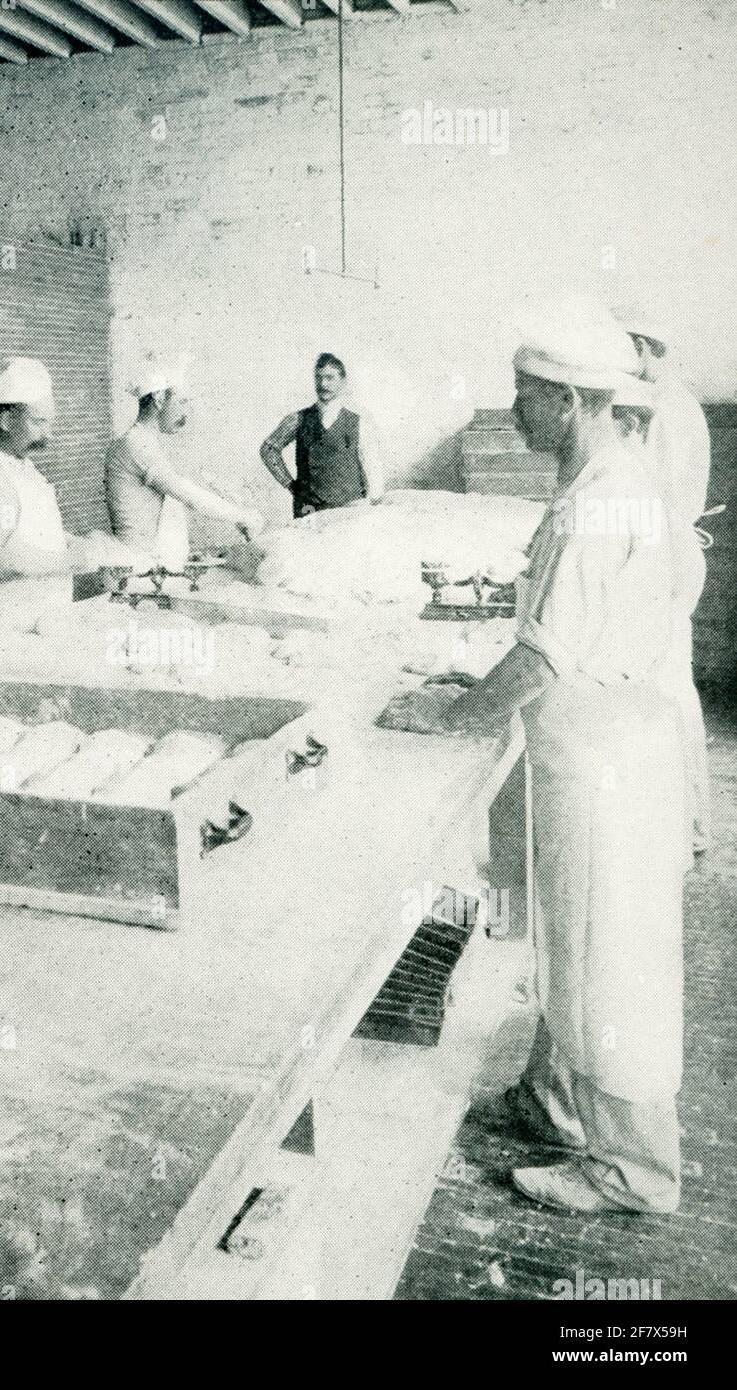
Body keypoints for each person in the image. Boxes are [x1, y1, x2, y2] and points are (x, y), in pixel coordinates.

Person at [381, 299, 685, 1216]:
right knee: (568, 942)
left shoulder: (603, 503)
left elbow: (547, 653)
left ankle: (632, 1170)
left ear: (572, 401)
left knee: (610, 960)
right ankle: (553, 1102)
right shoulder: (602, 480)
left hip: (606, 768)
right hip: (582, 752)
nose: (515, 410)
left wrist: (454, 716)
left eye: (527, 394)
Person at [615, 305, 712, 854]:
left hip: (669, 553)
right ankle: (682, 824)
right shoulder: (662, 404)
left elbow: (661, 501)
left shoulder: (672, 411)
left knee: (669, 692)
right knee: (666, 689)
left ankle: (690, 826)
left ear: (646, 348)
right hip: (665, 550)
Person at [0, 358, 95, 637]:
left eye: (50, 423)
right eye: (38, 422)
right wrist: (68, 560)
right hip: (2, 631)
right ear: (6, 421)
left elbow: (31, 534)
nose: (47, 434)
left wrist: (74, 542)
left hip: (37, 624)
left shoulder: (25, 468)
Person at [105, 359, 265, 572]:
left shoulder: (144, 442)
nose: (186, 413)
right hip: (138, 569)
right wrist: (241, 516)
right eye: (182, 402)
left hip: (148, 565)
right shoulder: (137, 444)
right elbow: (186, 493)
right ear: (159, 399)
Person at [259, 352, 384, 517]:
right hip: (308, 510)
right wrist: (290, 485)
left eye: (329, 378)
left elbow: (372, 464)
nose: (323, 384)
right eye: (318, 378)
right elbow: (268, 450)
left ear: (343, 381)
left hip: (350, 508)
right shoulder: (296, 419)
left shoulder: (360, 422)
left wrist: (375, 503)